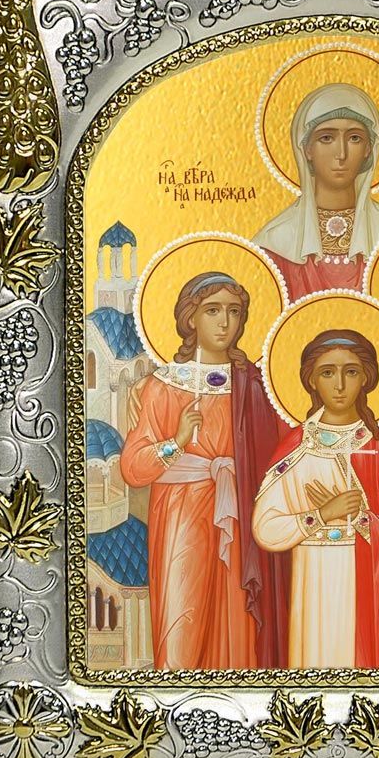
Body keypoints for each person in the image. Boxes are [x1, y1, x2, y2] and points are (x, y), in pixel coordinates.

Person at [119, 272, 285, 669]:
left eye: (234, 311)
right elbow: (133, 468)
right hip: (181, 516)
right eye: (213, 311)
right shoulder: (163, 386)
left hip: (239, 516)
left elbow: (281, 452)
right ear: (190, 317)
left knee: (237, 622)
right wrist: (176, 442)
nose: (225, 322)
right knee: (183, 619)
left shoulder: (256, 385)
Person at [252, 329, 379, 668]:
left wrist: (361, 518)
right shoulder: (297, 449)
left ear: (366, 379)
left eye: (351, 372)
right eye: (328, 373)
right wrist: (321, 514)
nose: (340, 385)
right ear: (311, 381)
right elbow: (265, 528)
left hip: (363, 586)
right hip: (312, 578)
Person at [252, 81, 379, 301]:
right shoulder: (275, 242)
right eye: (326, 138)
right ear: (306, 149)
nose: (341, 154)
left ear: (369, 149)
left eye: (354, 138)